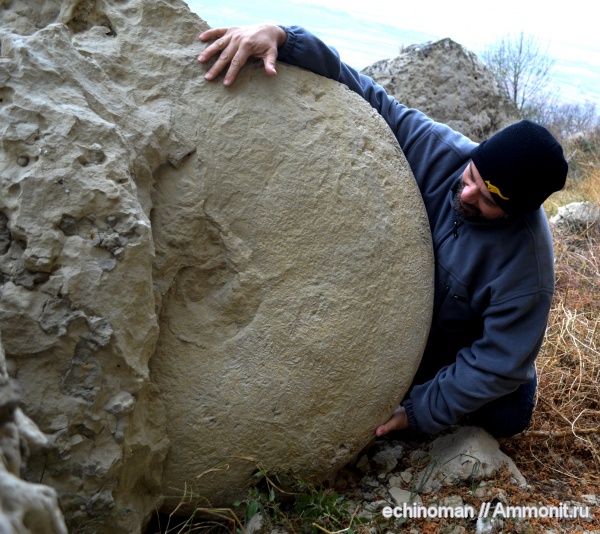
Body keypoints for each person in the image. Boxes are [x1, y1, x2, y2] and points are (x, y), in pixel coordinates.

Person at [197, 24, 568, 439]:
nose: (465, 193)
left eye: (485, 200)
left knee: (507, 416)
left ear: (515, 212)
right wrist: (285, 39)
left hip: (452, 350)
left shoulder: (527, 270)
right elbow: (373, 99)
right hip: (399, 321)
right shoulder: (445, 153)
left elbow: (498, 361)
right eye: (471, 178)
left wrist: (419, 411)